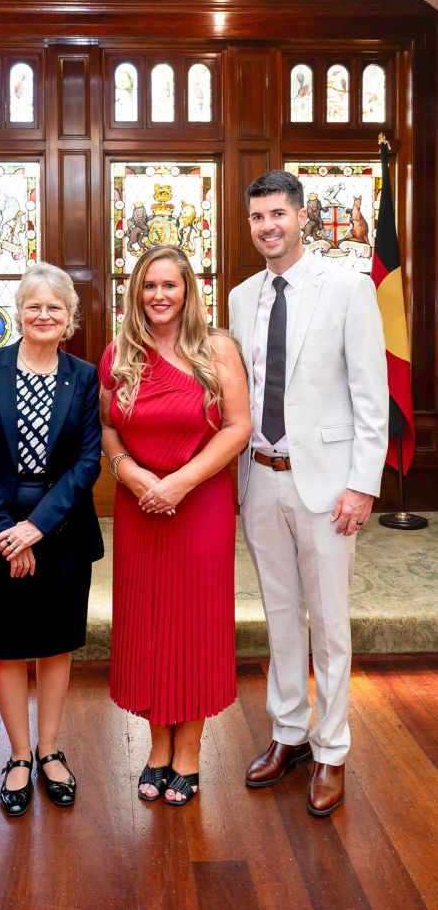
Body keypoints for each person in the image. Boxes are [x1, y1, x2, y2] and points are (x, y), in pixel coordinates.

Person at [228, 170, 388, 816]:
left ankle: (332, 749)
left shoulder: (347, 288)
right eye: (258, 216)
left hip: (327, 484)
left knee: (329, 621)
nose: (268, 226)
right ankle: (289, 733)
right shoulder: (241, 297)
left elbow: (370, 395)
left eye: (278, 214)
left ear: (302, 218)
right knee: (280, 613)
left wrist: (362, 484)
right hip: (259, 475)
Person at [99, 245, 251, 805]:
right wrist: (133, 475)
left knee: (193, 624)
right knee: (148, 622)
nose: (159, 296)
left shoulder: (216, 350)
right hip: (140, 506)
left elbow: (238, 428)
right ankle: (156, 747)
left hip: (200, 504)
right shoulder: (119, 353)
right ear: (135, 293)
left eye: (170, 285)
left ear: (189, 292)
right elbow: (108, 427)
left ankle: (188, 752)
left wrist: (180, 483)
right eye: (148, 286)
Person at [0, 261, 103, 817]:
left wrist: (36, 528)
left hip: (60, 527)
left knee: (54, 641)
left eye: (55, 308)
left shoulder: (84, 376)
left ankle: (50, 749)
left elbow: (88, 460)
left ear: (70, 318)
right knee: (7, 644)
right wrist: (5, 533)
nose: (44, 315)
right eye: (34, 306)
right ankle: (19, 755)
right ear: (19, 311)